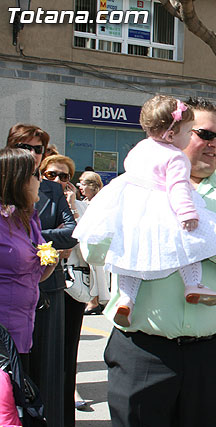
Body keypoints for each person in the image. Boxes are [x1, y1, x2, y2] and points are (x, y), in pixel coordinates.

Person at [97, 96, 216, 427]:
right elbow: (94, 250)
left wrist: (204, 242)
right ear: (172, 133)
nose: (215, 145)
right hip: (142, 352)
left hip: (213, 356)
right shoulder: (133, 187)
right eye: (205, 134)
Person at [73, 95, 216, 327]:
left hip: (132, 210)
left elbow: (130, 170)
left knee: (130, 258)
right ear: (171, 135)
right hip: (163, 209)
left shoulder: (140, 148)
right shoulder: (176, 157)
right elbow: (178, 187)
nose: (190, 135)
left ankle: (127, 300)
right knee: (188, 246)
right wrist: (187, 212)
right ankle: (193, 284)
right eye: (189, 131)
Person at [6, 123, 77, 427]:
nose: (33, 155)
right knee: (11, 379)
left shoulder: (46, 195)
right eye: (26, 147)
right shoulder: (5, 191)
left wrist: (37, 245)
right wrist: (35, 244)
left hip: (45, 287)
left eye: (39, 149)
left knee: (49, 369)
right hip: (9, 305)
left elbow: (73, 232)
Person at [40, 154, 94, 425]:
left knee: (67, 355)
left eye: (64, 176)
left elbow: (88, 244)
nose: (59, 181)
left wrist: (73, 207)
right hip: (45, 283)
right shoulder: (37, 200)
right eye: (52, 175)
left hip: (74, 286)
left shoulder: (82, 208)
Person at [0, 148, 56, 359]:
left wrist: (50, 261)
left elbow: (35, 272)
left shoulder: (29, 218)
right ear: (17, 179)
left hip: (23, 332)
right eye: (35, 174)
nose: (41, 180)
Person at [75, 171, 110, 315]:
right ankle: (93, 300)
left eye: (82, 184)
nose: (80, 188)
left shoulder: (101, 201)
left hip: (97, 243)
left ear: (92, 186)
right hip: (86, 243)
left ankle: (95, 301)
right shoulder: (84, 203)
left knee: (97, 272)